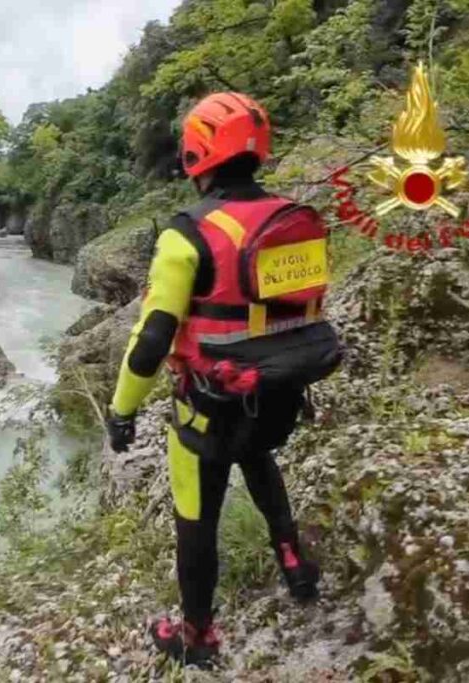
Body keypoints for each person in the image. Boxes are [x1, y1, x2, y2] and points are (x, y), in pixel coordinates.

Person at [105, 92, 342, 666]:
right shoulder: (294, 218)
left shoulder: (186, 234)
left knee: (196, 519)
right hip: (277, 393)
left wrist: (122, 410)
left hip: (208, 406)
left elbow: (154, 337)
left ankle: (196, 637)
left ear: (197, 156)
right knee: (259, 456)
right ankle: (294, 561)